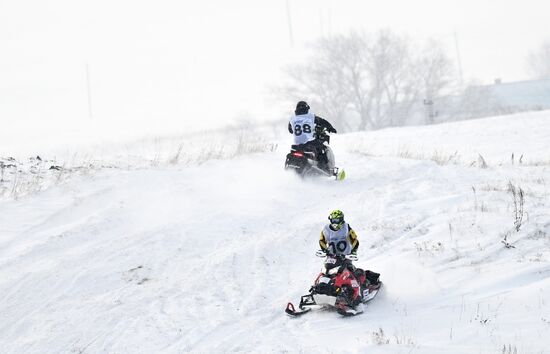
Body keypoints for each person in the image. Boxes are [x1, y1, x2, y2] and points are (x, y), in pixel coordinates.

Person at [319, 210, 380, 287]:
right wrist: (325, 250)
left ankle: (360, 290)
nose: (335, 222)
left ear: (341, 220)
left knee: (350, 272)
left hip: (345, 257)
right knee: (326, 272)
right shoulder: (326, 229)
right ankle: (320, 287)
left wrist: (353, 252)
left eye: (337, 220)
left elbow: (354, 240)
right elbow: (321, 241)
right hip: (332, 257)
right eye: (333, 220)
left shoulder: (346, 228)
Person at [288, 101, 337, 168]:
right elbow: (322, 121)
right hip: (309, 142)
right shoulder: (310, 116)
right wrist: (330, 128)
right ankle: (324, 167)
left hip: (297, 144)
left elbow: (290, 130)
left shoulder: (292, 119)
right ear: (306, 109)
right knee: (322, 148)